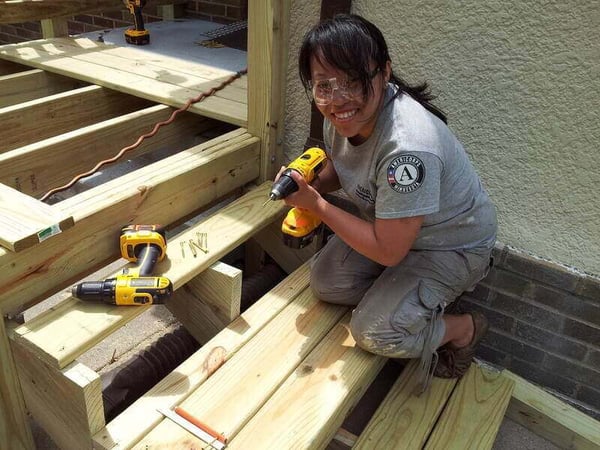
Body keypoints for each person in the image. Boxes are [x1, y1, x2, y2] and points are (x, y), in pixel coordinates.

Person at [281, 13, 497, 390]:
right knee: (326, 283)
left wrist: (316, 205)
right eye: (323, 85)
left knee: (375, 334)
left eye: (352, 81)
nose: (337, 98)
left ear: (383, 73)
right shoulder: (343, 113)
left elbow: (388, 250)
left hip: (450, 248)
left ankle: (463, 328)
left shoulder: (408, 149)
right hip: (396, 231)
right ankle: (400, 298)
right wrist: (309, 181)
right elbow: (345, 169)